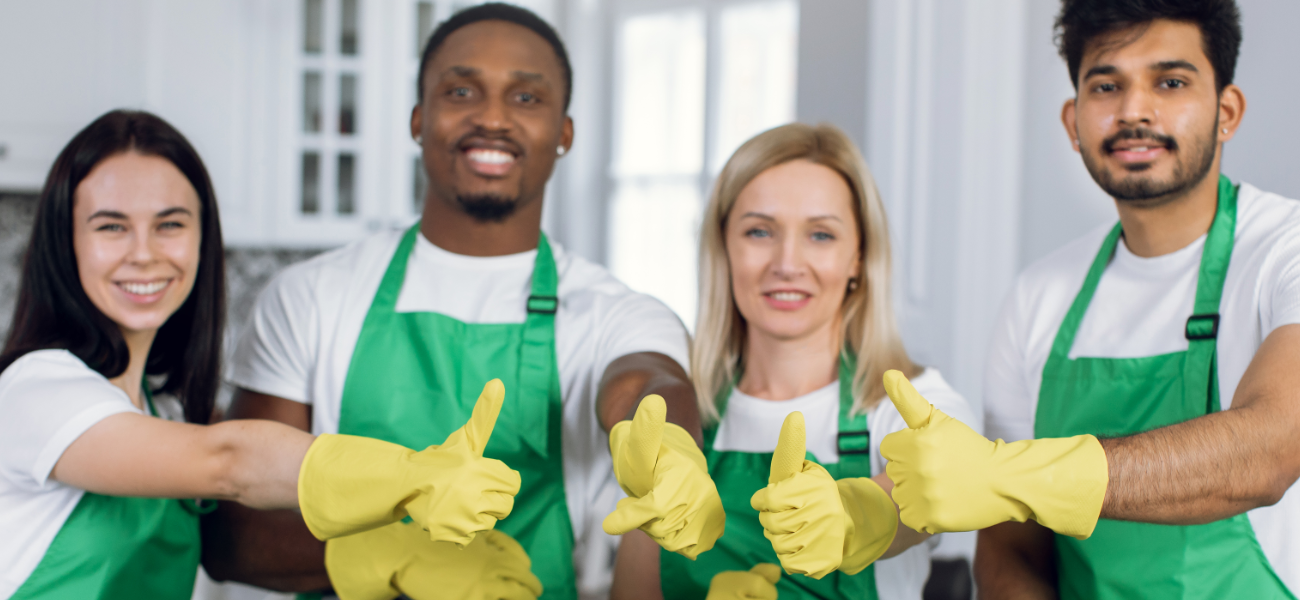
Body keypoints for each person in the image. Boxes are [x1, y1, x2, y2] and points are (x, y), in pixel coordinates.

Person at [202, 4, 719, 600]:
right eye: (462, 90)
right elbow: (233, 537)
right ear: (419, 119)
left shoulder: (613, 312)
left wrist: (668, 448)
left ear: (564, 133)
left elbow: (644, 385)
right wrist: (388, 555)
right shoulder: (310, 298)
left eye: (526, 98)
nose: (492, 118)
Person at [0, 110, 542, 600]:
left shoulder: (161, 410)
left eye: (170, 224)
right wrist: (408, 477)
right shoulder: (35, 391)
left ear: (202, 238)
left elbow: (240, 512)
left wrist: (385, 554)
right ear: (65, 242)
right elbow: (229, 462)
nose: (144, 253)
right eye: (111, 227)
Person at [872, 1, 1300, 598]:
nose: (1133, 111)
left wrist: (1013, 474)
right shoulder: (1037, 297)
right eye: (1107, 85)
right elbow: (1008, 546)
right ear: (1073, 122)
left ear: (1226, 112)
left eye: (1170, 81)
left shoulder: (1285, 251)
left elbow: (1275, 443)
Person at [609, 123, 978, 600]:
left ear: (858, 258)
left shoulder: (912, 405)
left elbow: (933, 491)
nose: (787, 262)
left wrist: (853, 517)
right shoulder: (678, 415)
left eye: (821, 235)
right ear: (724, 247)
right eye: (759, 231)